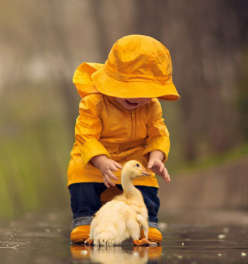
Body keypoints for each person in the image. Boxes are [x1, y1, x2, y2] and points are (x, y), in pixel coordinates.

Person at [67, 34, 179, 244]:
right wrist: (100, 161)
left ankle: (146, 223)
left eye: (146, 91)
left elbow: (158, 132)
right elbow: (86, 134)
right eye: (129, 89)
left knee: (146, 182)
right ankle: (85, 220)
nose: (137, 97)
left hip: (134, 157)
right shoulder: (94, 101)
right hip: (96, 158)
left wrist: (156, 155)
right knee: (81, 177)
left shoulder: (152, 106)